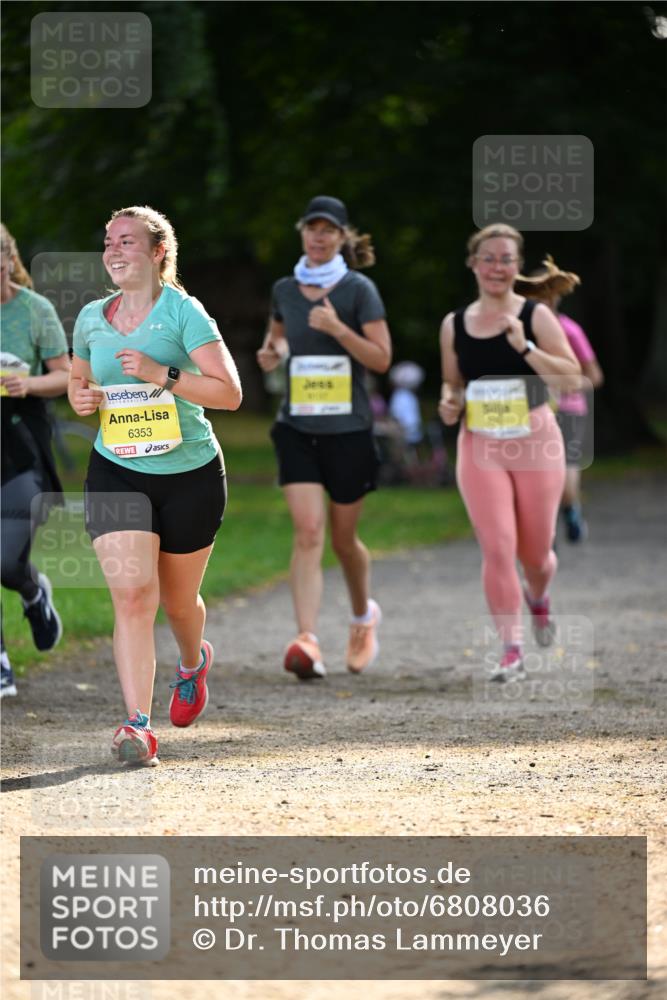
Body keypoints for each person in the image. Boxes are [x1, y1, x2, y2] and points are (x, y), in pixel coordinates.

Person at [68, 206, 241, 765]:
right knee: (133, 596)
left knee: (178, 602)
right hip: (116, 472)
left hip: (189, 475)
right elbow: (78, 382)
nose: (113, 250)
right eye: (108, 242)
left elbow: (229, 393)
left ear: (158, 251)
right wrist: (81, 398)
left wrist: (160, 374)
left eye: (126, 241)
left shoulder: (184, 311)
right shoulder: (91, 317)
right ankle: (137, 726)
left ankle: (192, 662)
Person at [257, 196, 392, 680]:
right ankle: (307, 640)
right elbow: (277, 338)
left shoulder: (358, 290)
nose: (319, 237)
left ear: (341, 237)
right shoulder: (285, 289)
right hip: (297, 427)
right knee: (309, 532)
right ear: (302, 233)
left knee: (343, 540)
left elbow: (381, 359)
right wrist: (273, 353)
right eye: (312, 228)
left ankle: (362, 617)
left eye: (328, 230)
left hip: (349, 430)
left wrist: (338, 329)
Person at [439, 224, 580, 681]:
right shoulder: (454, 324)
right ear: (473, 264)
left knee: (536, 555)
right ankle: (511, 650)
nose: (497, 267)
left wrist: (525, 346)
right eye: (489, 258)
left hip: (536, 442)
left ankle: (538, 596)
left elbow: (571, 378)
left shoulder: (536, 316)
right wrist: (449, 402)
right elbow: (452, 383)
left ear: (517, 267)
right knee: (498, 548)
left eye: (506, 259)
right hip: (480, 445)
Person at [1, 223, 70, 698]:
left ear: (8, 260)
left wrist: (27, 385)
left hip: (22, 443)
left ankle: (32, 591)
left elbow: (66, 375)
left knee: (7, 562)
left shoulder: (35, 310)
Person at [518, 256, 604, 542]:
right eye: (534, 293)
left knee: (564, 471)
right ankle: (544, 530)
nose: (541, 300)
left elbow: (594, 375)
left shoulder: (569, 330)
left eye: (546, 293)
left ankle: (570, 509)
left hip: (567, 409)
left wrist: (563, 384)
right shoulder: (518, 330)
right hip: (529, 410)